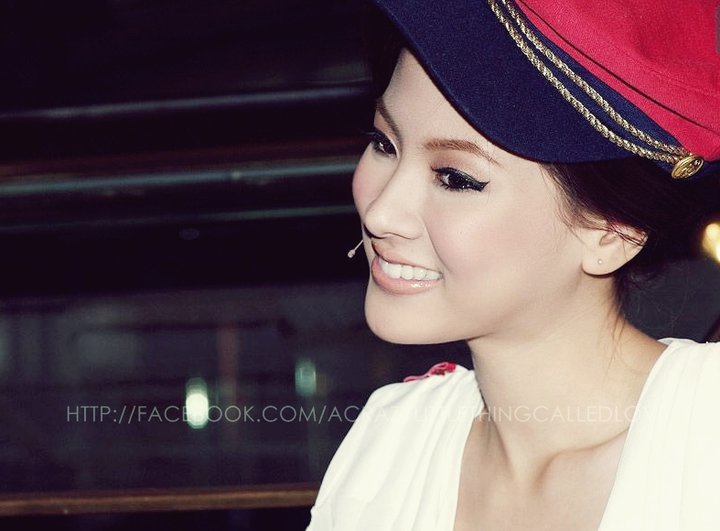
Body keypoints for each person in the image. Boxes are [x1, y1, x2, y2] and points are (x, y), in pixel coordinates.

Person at [307, 0, 720, 529]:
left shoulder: (705, 438)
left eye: (455, 179)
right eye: (384, 143)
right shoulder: (391, 443)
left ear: (610, 232)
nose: (381, 212)